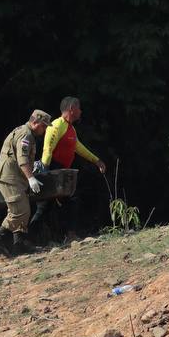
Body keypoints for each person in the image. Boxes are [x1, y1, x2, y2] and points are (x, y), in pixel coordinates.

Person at [31, 95, 107, 241]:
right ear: (71, 109)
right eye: (79, 108)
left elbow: (78, 147)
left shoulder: (71, 128)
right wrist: (44, 173)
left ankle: (65, 235)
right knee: (55, 203)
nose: (81, 111)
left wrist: (96, 161)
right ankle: (28, 239)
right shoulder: (56, 125)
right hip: (53, 168)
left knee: (54, 205)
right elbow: (48, 150)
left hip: (62, 171)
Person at [0, 110, 51, 257]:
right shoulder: (26, 135)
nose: (44, 130)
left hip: (15, 177)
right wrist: (31, 178)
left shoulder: (25, 132)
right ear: (35, 122)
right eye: (43, 126)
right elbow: (22, 158)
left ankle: (19, 244)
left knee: (23, 208)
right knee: (19, 210)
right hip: (9, 176)